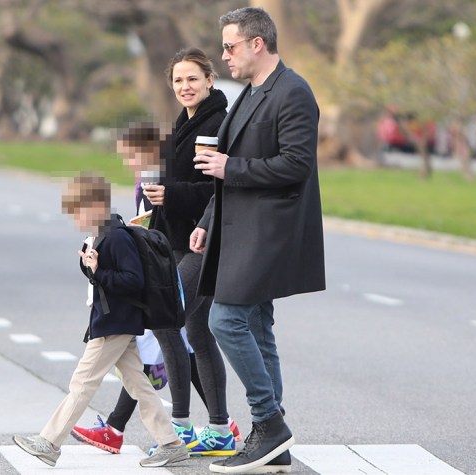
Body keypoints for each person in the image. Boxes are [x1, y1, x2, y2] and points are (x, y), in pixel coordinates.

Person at [190, 7, 326, 474]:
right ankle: (275, 444)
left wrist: (232, 169)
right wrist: (208, 217)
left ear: (256, 44)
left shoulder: (293, 92)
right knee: (258, 326)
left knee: (226, 320)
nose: (223, 55)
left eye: (229, 46)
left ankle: (268, 422)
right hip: (238, 228)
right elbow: (225, 164)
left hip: (270, 232)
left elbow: (296, 165)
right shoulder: (249, 93)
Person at [12, 173, 189, 468]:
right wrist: (89, 266)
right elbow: (103, 279)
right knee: (138, 384)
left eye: (76, 213)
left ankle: (49, 442)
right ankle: (170, 442)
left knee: (82, 382)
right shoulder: (102, 234)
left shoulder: (117, 236)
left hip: (114, 324)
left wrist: (99, 270)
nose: (74, 220)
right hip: (113, 321)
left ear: (95, 207)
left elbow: (133, 281)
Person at [144, 47, 238, 457]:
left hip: (206, 240)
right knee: (197, 330)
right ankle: (218, 429)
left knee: (167, 318)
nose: (185, 86)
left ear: (210, 80)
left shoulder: (215, 123)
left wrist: (171, 194)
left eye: (193, 79)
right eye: (179, 80)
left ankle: (180, 427)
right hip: (176, 242)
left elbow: (218, 188)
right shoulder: (184, 122)